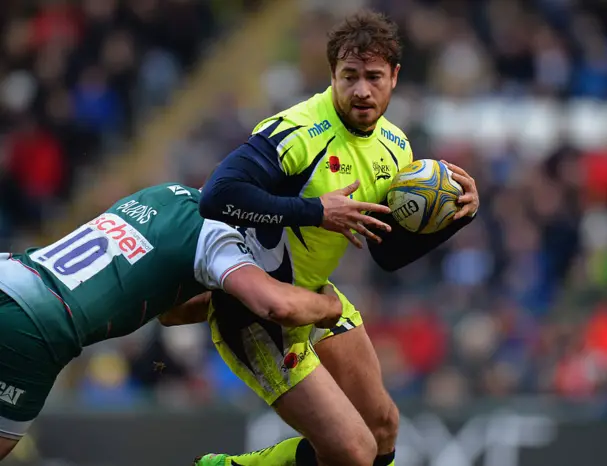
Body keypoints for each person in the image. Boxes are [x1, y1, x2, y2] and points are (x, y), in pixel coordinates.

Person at [195, 9, 480, 466]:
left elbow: (387, 255)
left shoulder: (395, 147)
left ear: (394, 77)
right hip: (254, 310)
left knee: (382, 428)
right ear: (332, 75)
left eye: (373, 76)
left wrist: (458, 217)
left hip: (317, 298)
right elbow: (216, 196)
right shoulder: (297, 132)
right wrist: (315, 211)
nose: (362, 90)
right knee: (350, 451)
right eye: (349, 76)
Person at [0, 182, 343, 461]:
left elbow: (167, 311)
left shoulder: (164, 193)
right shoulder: (217, 239)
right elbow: (275, 304)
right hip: (40, 325)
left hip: (14, 271)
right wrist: (329, 306)